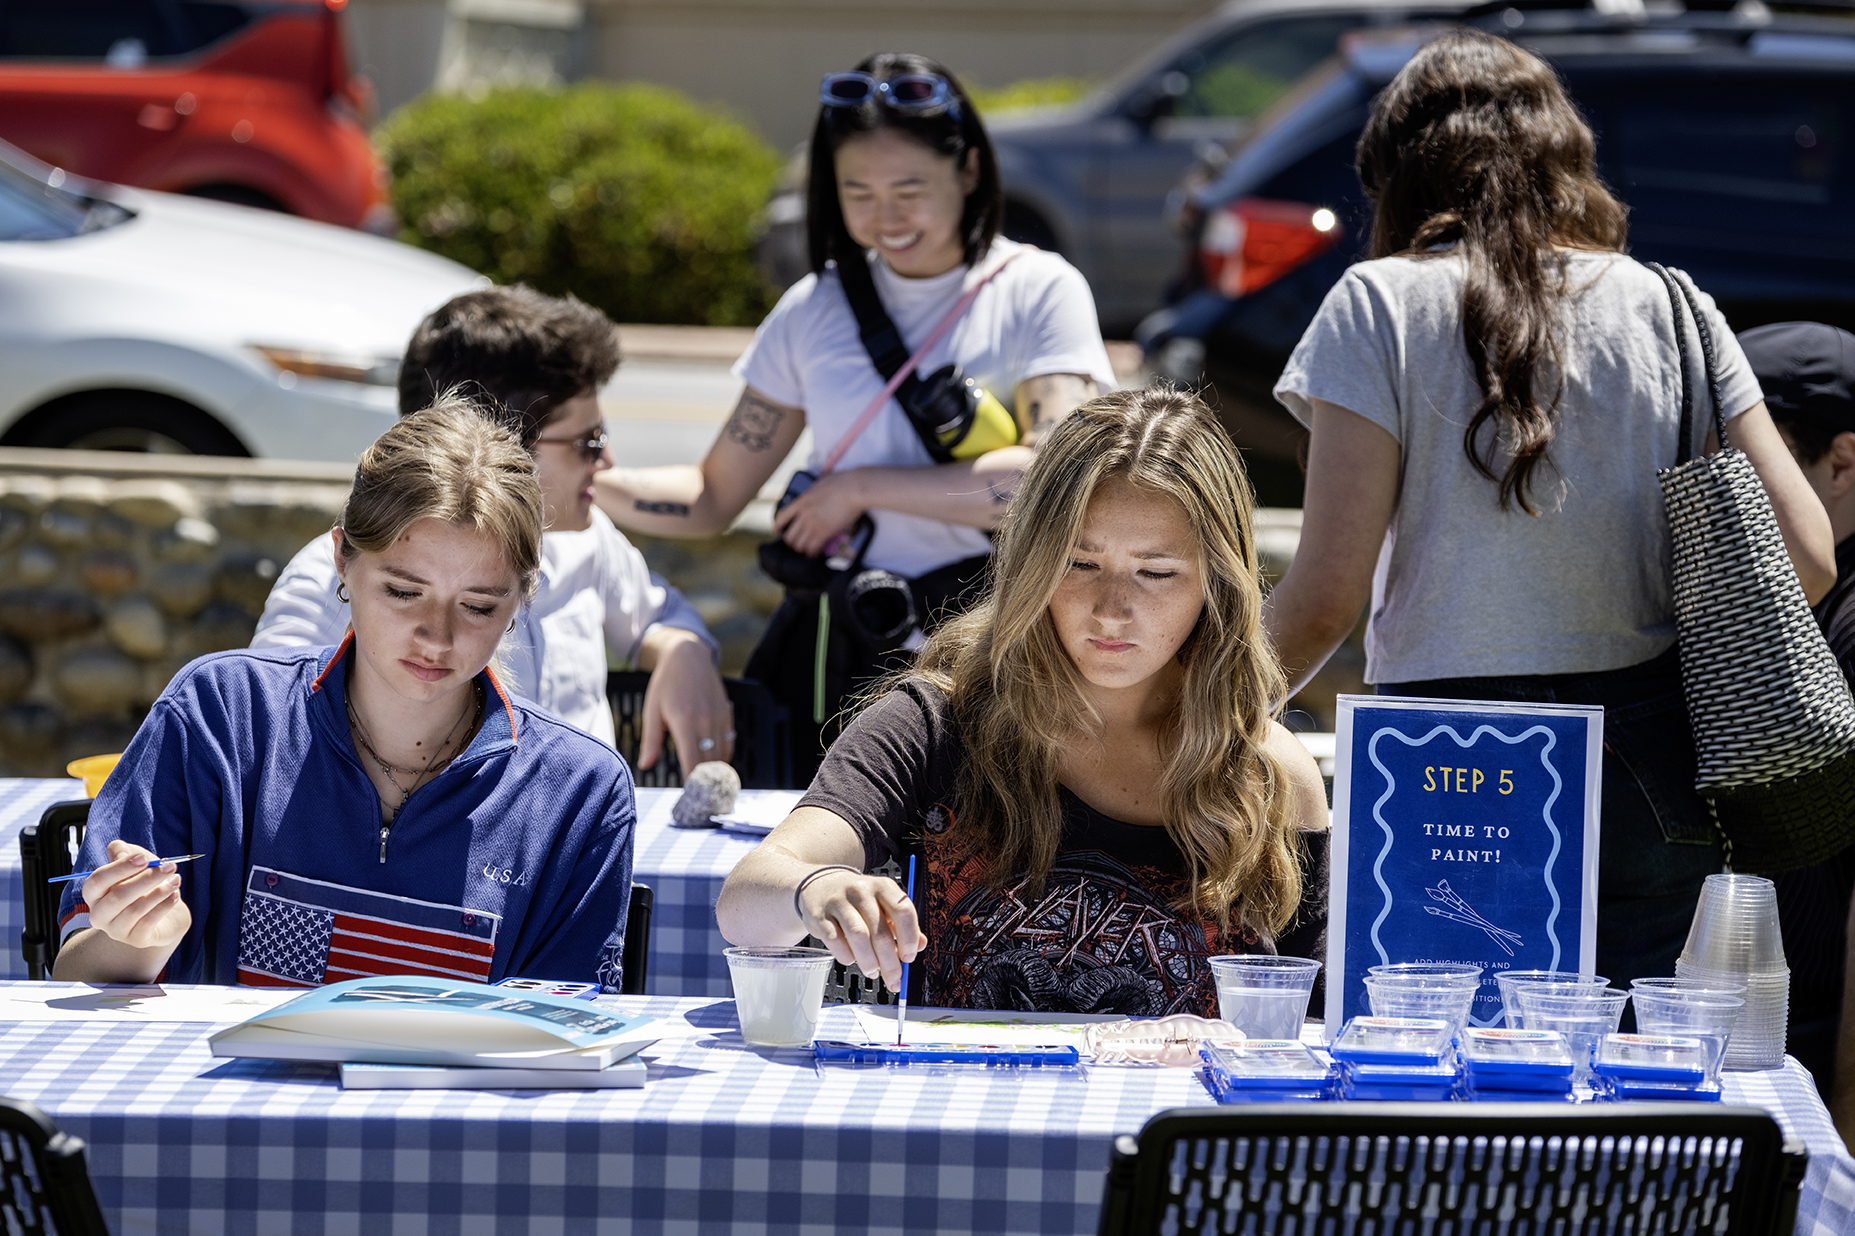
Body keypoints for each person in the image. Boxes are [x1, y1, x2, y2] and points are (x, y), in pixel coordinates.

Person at [1261, 30, 1835, 994]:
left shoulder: (1380, 303)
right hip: (1648, 757)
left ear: (1400, 177)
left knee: (1437, 1089)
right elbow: (1806, 556)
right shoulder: (1673, 305)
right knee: (1628, 1093)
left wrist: (1188, 719)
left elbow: (1324, 599)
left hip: (1440, 763)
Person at [714, 387, 1330, 1017]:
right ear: (1031, 562)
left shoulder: (1269, 771)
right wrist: (816, 888)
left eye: (1156, 572)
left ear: (1217, 584)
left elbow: (1320, 1022)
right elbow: (745, 901)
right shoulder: (932, 724)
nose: (1112, 610)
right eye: (1080, 562)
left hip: (1166, 1117)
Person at [596, 52, 1116, 781]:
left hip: (985, 643)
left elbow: (1053, 484)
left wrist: (857, 488)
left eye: (910, 188)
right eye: (857, 192)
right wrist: (580, 481)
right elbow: (713, 495)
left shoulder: (1038, 290)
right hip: (833, 650)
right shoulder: (812, 309)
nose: (886, 216)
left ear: (968, 171)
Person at [56, 398, 637, 989]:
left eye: (479, 606)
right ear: (341, 561)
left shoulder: (581, 792)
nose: (437, 637)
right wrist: (133, 942)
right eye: (404, 593)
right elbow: (76, 976)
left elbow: (568, 1036)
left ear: (522, 598)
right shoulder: (223, 715)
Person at [253, 285, 731, 770]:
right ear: (492, 447)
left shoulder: (587, 542)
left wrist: (679, 649)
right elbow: (271, 734)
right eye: (587, 442)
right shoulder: (339, 574)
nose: (606, 461)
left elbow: (660, 616)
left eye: (481, 604)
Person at [1741, 322, 1855, 1119]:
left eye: (1750, 456)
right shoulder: (1778, 602)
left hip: (1816, 1069)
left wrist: (1845, 1112)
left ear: (1839, 463)